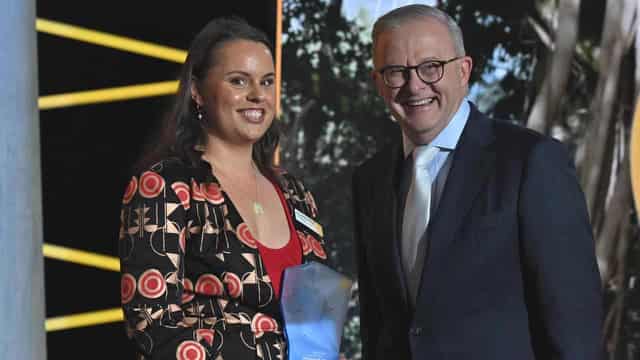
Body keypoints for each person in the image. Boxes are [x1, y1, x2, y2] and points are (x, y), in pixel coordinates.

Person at [352, 5, 603, 360]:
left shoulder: (531, 162)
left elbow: (574, 327)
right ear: (378, 82)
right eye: (396, 71)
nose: (414, 85)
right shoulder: (369, 180)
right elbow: (377, 327)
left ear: (463, 70)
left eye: (431, 67)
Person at [118, 17, 327, 359]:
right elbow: (152, 326)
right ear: (198, 91)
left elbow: (317, 317)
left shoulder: (296, 193)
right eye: (238, 81)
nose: (258, 95)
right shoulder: (166, 185)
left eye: (267, 81)